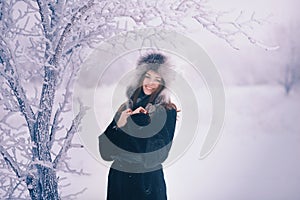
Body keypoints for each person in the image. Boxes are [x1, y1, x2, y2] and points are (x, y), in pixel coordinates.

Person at [98, 53, 178, 200]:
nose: (150, 83)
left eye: (157, 79)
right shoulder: (126, 108)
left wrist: (139, 123)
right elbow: (106, 152)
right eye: (147, 76)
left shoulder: (166, 111)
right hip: (119, 181)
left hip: (146, 184)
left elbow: (156, 157)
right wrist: (119, 125)